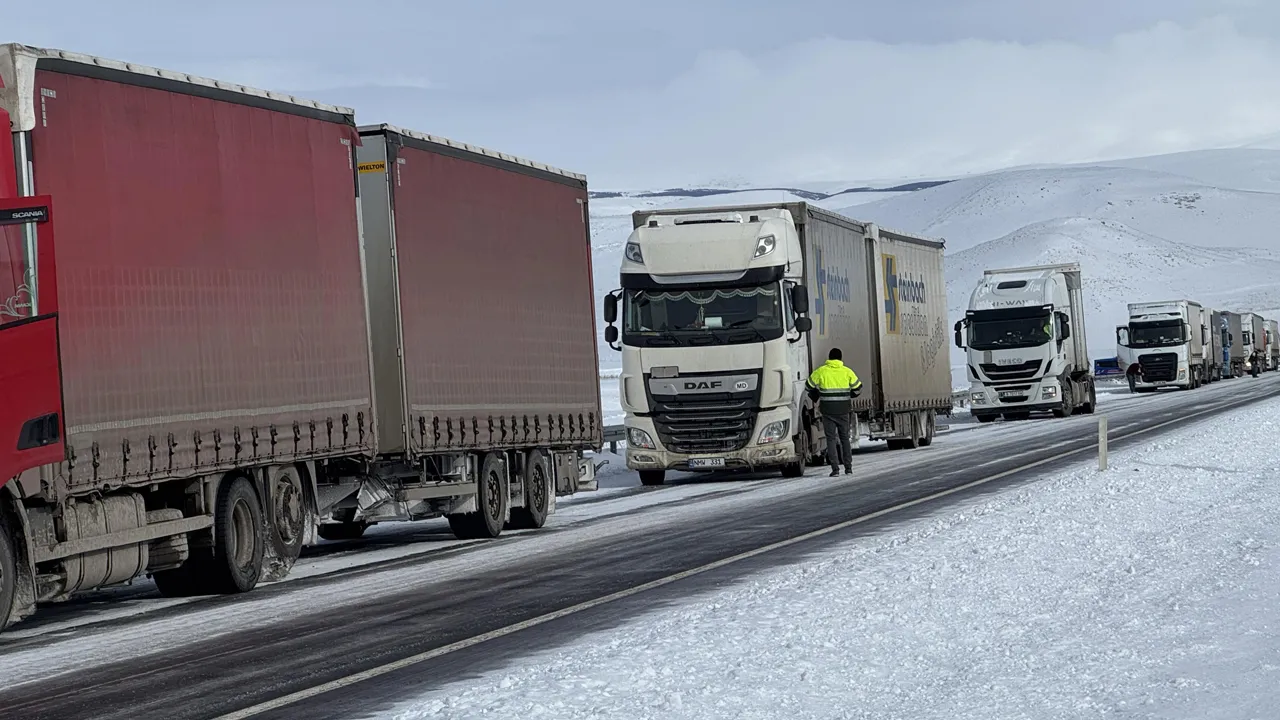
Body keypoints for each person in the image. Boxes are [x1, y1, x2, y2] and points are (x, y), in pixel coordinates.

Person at [806, 348, 862, 476]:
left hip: (828, 411)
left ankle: (835, 469)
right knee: (845, 439)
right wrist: (849, 395)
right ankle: (848, 468)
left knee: (830, 439)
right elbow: (858, 388)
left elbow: (808, 385)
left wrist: (816, 394)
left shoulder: (821, 371)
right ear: (840, 359)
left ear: (829, 358)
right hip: (843, 411)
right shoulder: (847, 371)